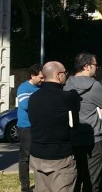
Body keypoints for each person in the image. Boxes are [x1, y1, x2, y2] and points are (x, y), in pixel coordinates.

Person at [64, 53, 102, 192]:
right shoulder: (93, 85)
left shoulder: (67, 83)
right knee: (93, 180)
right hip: (94, 138)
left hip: (73, 137)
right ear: (86, 66)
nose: (97, 68)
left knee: (77, 177)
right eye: (95, 65)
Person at [29, 61, 80, 192]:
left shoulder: (33, 97)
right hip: (59, 157)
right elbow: (74, 124)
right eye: (65, 73)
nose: (66, 76)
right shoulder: (66, 97)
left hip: (37, 155)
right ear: (58, 75)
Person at [16, 63, 44, 192]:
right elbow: (26, 105)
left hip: (40, 127)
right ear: (33, 75)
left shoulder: (42, 87)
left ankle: (42, 184)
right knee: (25, 157)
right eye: (40, 78)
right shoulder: (23, 88)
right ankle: (25, 186)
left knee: (41, 157)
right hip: (26, 127)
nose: (42, 80)